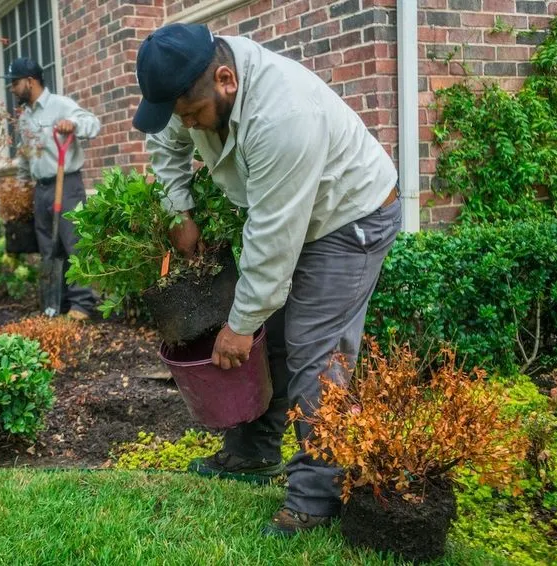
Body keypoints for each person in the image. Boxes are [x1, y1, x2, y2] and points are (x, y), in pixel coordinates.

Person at [133, 23, 402, 536]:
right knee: (269, 336)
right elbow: (166, 146)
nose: (186, 125)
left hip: (351, 218)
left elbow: (273, 238)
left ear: (226, 80)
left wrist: (238, 325)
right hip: (293, 213)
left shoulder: (284, 117)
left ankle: (317, 496)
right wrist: (179, 210)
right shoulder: (191, 88)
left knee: (314, 352)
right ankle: (254, 454)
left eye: (192, 115)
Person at [6, 57, 100, 320]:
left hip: (67, 183)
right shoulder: (24, 118)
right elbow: (25, 156)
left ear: (30, 81)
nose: (11, 89)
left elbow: (93, 123)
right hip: (42, 188)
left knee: (74, 243)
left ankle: (82, 304)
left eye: (14, 83)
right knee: (48, 247)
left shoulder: (61, 105)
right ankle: (54, 303)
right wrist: (22, 187)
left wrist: (74, 124)